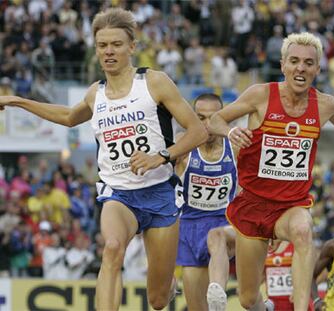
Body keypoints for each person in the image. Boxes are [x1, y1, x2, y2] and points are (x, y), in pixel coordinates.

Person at [0, 7, 207, 311]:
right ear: (95, 49)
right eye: (102, 45)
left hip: (161, 192)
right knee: (111, 248)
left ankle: (166, 284)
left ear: (132, 47)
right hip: (118, 193)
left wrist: (161, 157)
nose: (109, 52)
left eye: (116, 44)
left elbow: (198, 131)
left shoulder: (154, 83)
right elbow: (69, 117)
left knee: (158, 300)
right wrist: (18, 101)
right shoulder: (95, 94)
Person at [208, 31, 334, 310]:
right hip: (253, 204)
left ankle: (300, 305)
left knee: (304, 229)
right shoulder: (260, 95)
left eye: (308, 63)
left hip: (290, 206)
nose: (300, 68)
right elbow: (215, 120)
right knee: (247, 298)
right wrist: (231, 132)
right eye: (294, 61)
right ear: (283, 65)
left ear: (317, 69)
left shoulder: (324, 105)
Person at [175, 93, 238, 311]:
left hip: (225, 225)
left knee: (217, 239)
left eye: (213, 118)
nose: (207, 124)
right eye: (200, 117)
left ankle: (227, 297)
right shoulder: (182, 148)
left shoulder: (236, 148)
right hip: (189, 228)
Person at [264, 240, 313, 311]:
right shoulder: (265, 247)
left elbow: (307, 272)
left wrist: (299, 289)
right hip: (274, 303)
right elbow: (260, 275)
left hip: (295, 302)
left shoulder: (296, 245)